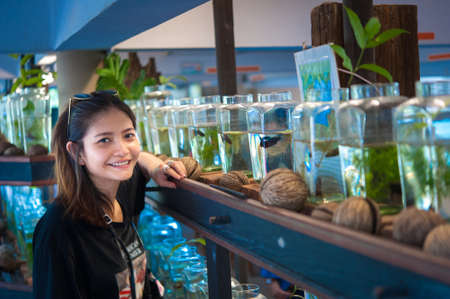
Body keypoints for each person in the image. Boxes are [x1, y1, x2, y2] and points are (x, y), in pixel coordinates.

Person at [32, 91, 186, 299]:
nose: (122, 150)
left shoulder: (120, 190)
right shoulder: (58, 230)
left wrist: (157, 166)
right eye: (104, 140)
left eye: (128, 135)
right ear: (78, 152)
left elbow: (140, 158)